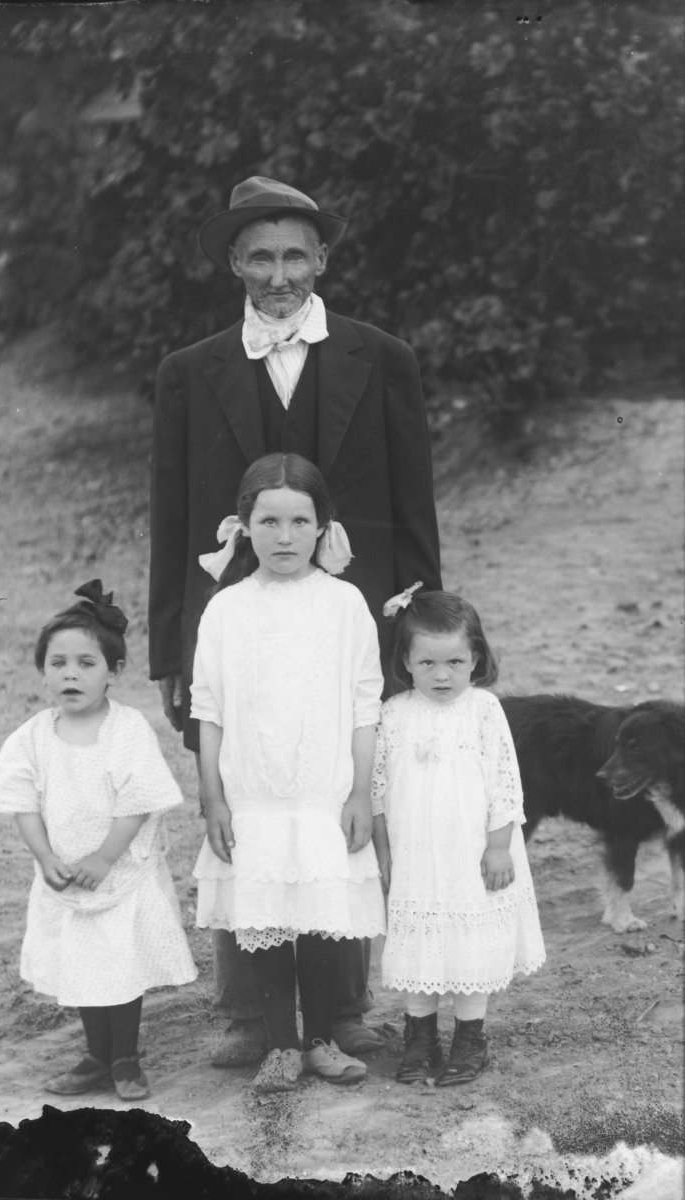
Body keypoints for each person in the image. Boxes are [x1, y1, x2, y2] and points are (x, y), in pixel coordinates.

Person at [149, 176, 442, 1064]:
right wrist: (171, 647)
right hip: (236, 627)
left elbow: (413, 503)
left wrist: (422, 625)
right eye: (260, 258)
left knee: (341, 802)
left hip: (350, 620)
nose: (279, 276)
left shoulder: (381, 358)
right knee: (246, 802)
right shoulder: (190, 371)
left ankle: (341, 1010)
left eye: (294, 257)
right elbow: (171, 518)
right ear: (234, 264)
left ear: (321, 260)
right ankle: (253, 1013)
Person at [191, 453, 387, 1093]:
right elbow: (209, 711)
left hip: (324, 791)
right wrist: (215, 798)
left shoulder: (345, 604)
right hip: (254, 794)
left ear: (322, 526)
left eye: (299, 521)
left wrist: (359, 792)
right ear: (243, 526)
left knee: (321, 916)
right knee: (267, 915)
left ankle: (322, 1039)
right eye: (268, 521)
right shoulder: (226, 609)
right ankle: (279, 1044)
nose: (283, 537)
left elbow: (364, 706)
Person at [0, 580, 197, 1100]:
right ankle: (96, 1054)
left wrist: (104, 857)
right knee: (82, 960)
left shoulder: (127, 729)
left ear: (113, 672)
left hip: (118, 868)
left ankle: (125, 1057)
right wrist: (45, 856)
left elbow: (138, 800)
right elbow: (22, 802)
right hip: (65, 872)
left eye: (86, 663)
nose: (71, 674)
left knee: (118, 961)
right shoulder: (34, 736)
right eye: (58, 663)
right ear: (43, 672)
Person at [371, 587, 546, 1086]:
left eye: (454, 662)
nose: (442, 675)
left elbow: (505, 783)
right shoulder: (394, 713)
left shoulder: (484, 710)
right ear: (406, 662)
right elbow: (378, 789)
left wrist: (498, 846)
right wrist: (383, 852)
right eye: (427, 663)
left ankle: (471, 1039)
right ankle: (420, 1038)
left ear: (475, 660)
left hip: (473, 852)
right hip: (415, 855)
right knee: (419, 942)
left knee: (471, 943)